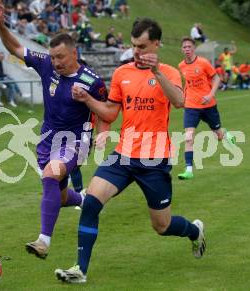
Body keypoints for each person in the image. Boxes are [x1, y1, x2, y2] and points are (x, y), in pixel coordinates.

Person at [54, 18, 206, 284]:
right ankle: (80, 269)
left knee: (162, 226)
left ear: (156, 44)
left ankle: (194, 231)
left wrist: (156, 71)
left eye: (143, 46)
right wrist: (88, 100)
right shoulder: (123, 73)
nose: (136, 51)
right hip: (123, 155)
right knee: (90, 203)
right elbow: (111, 112)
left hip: (154, 160)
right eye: (134, 45)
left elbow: (180, 101)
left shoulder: (168, 72)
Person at [0, 3, 109, 259]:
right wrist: (0, 25)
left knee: (50, 175)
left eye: (60, 58)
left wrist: (102, 132)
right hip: (48, 140)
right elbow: (15, 47)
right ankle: (85, 200)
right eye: (53, 58)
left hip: (76, 141)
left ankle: (43, 241)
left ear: (74, 53)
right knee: (61, 195)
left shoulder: (91, 81)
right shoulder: (45, 65)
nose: (55, 63)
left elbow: (105, 109)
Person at [177, 37, 235, 180]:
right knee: (189, 137)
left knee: (218, 135)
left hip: (208, 105)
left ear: (194, 48)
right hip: (191, 106)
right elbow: (188, 83)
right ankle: (189, 169)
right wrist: (184, 96)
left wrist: (210, 94)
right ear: (182, 49)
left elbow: (216, 79)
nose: (187, 49)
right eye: (184, 47)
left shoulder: (203, 63)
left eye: (189, 47)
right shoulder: (181, 66)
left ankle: (225, 134)